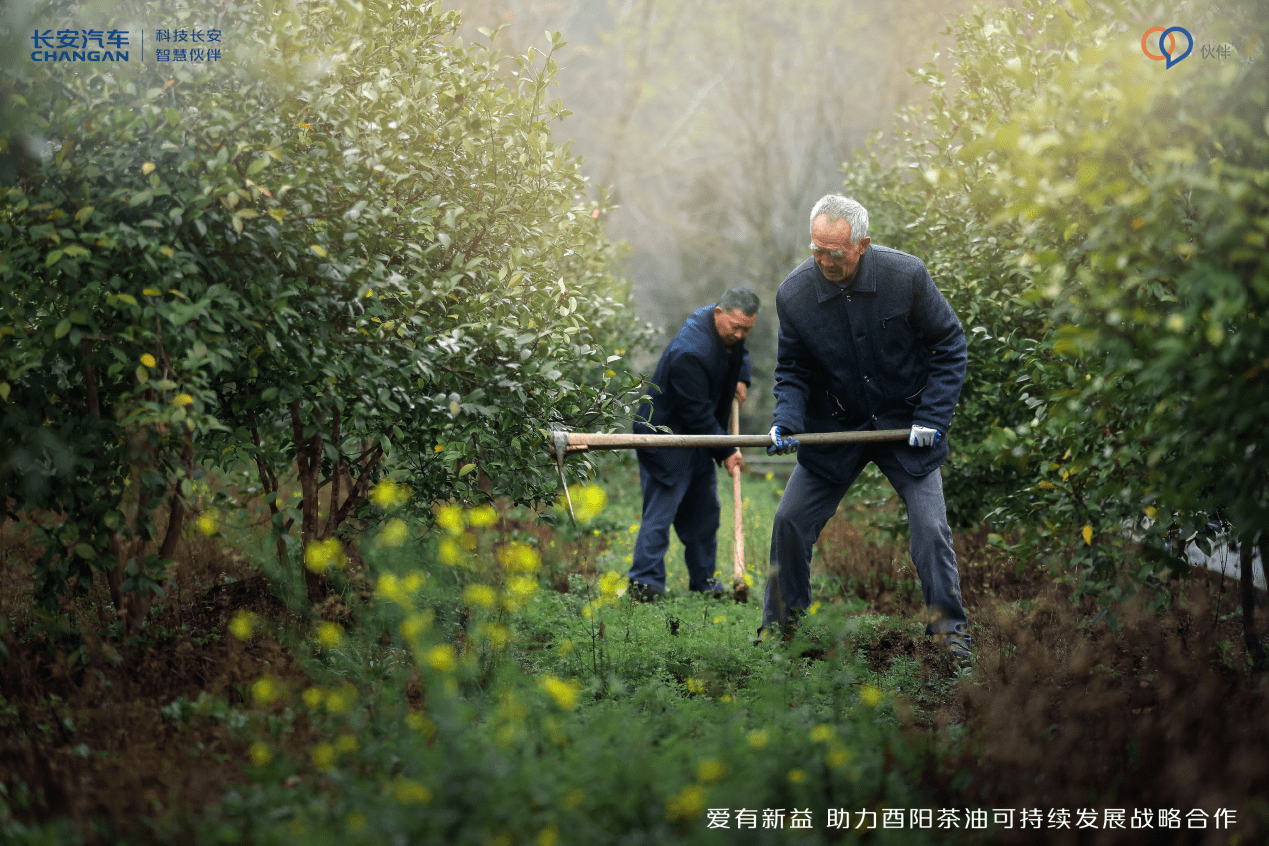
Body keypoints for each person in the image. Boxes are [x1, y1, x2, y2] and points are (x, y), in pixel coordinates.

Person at [762, 195, 972, 659]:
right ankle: (782, 630)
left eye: (833, 253)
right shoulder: (795, 293)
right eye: (816, 249)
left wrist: (932, 417)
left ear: (862, 245)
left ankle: (949, 632)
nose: (822, 261)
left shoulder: (906, 276)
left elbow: (950, 345)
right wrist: (786, 420)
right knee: (789, 521)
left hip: (905, 426)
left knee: (931, 529)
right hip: (837, 428)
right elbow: (793, 369)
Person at [627, 288, 760, 601]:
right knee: (661, 514)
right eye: (735, 327)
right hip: (666, 436)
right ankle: (644, 586)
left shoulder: (725, 326)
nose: (740, 334)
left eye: (747, 329)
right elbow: (697, 414)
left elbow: (740, 351)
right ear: (718, 314)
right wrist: (728, 450)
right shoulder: (691, 351)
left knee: (705, 514)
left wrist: (741, 376)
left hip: (699, 437)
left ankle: (705, 584)